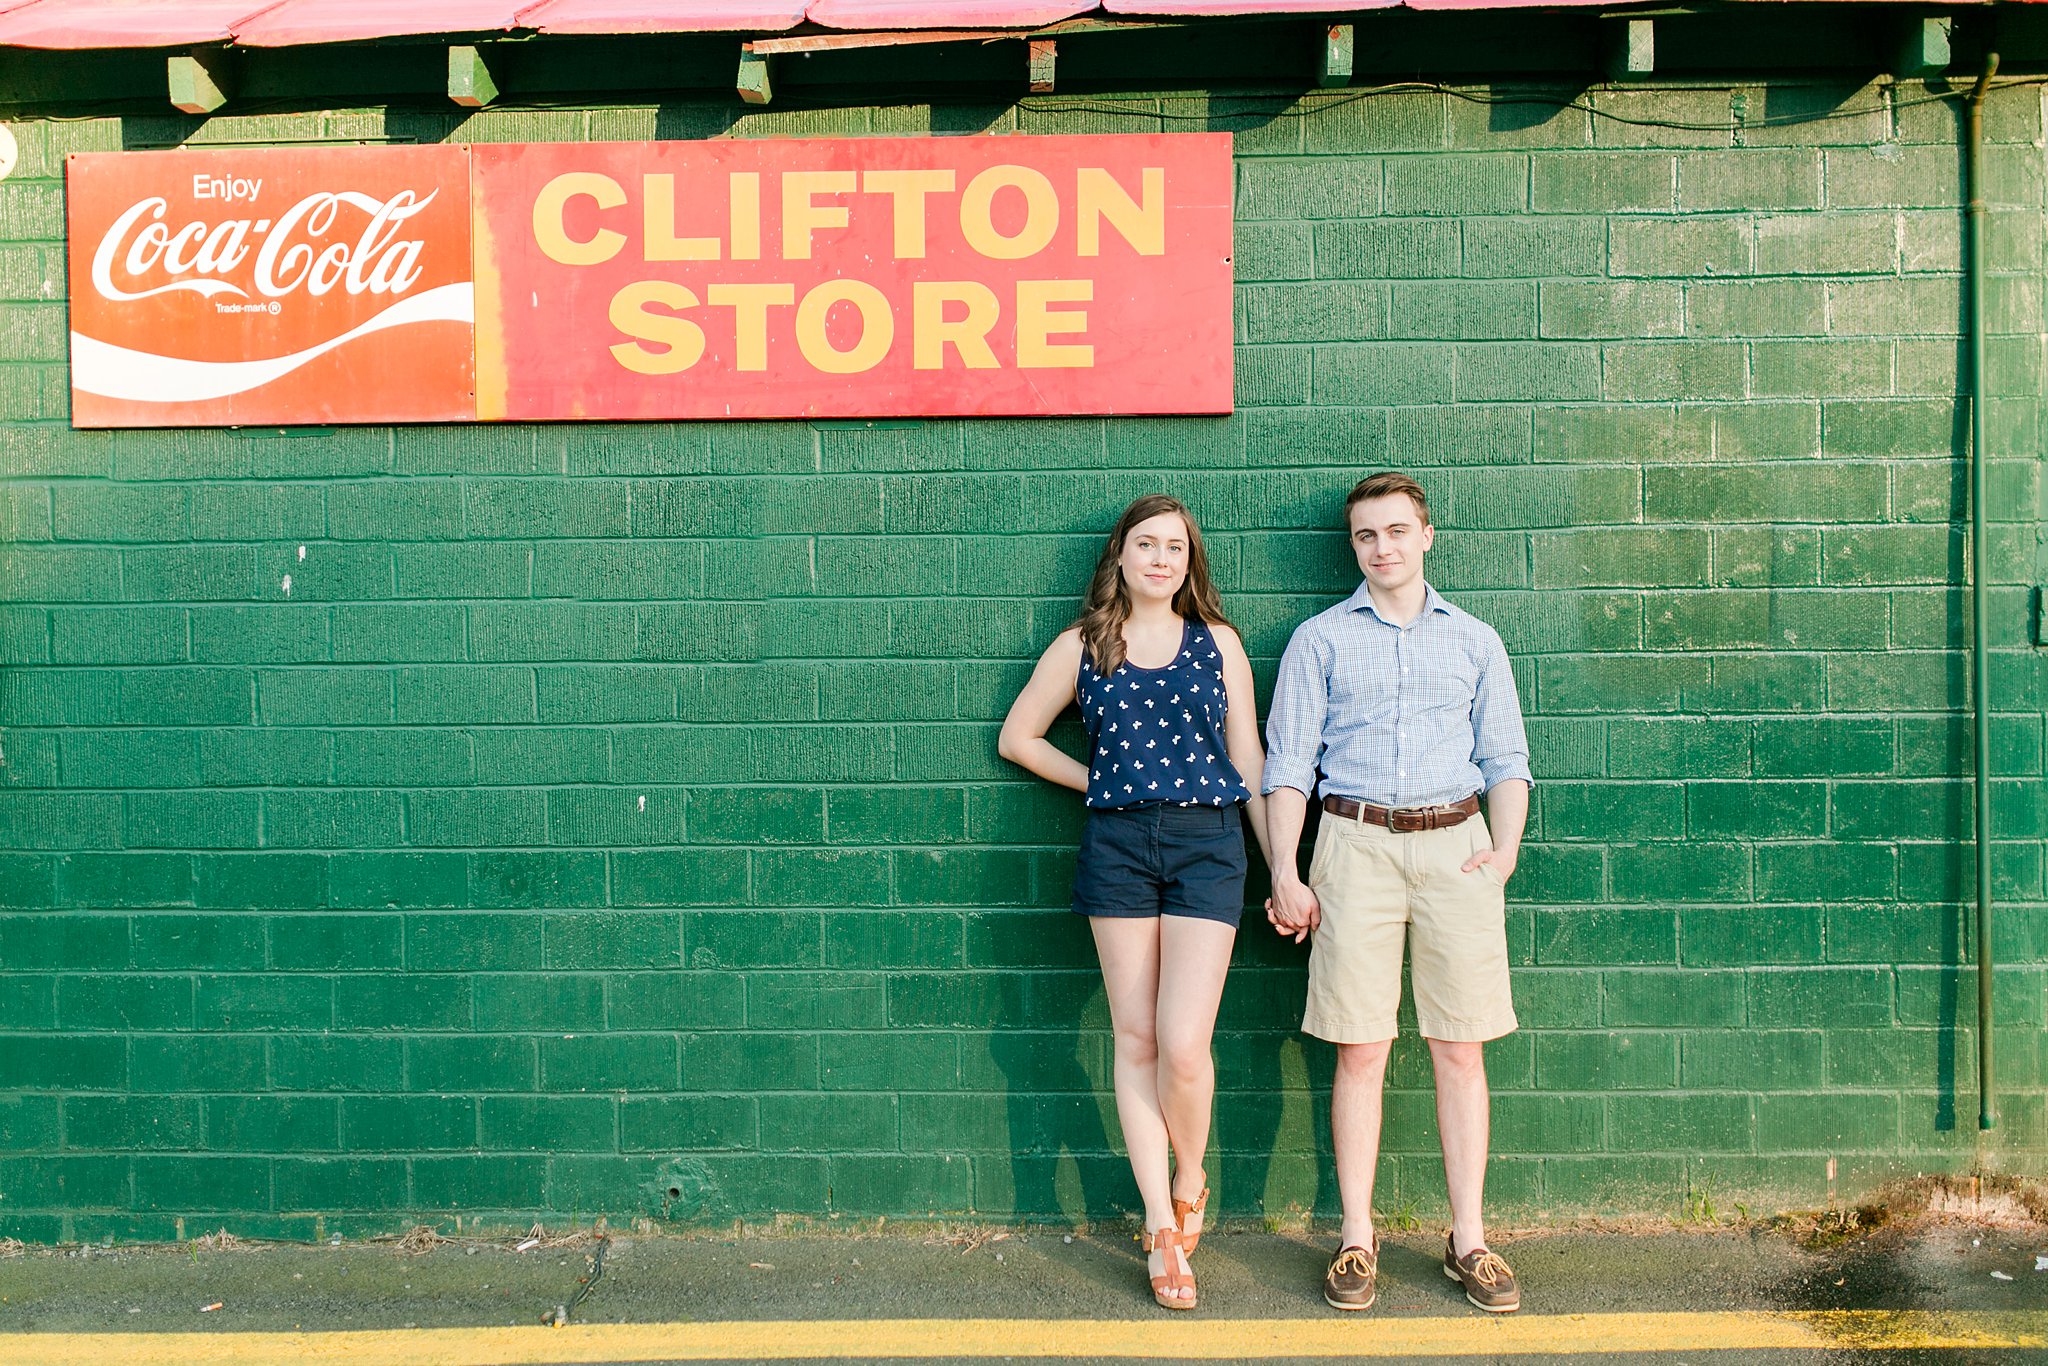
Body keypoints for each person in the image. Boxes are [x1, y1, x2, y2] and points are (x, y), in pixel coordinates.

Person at [1262, 470, 1532, 1316]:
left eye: (1396, 531)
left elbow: (1508, 761)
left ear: (1427, 535)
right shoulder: (1320, 640)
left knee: (1461, 1046)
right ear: (1355, 546)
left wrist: (1505, 853)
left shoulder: (1476, 641)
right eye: (1366, 536)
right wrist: (1285, 868)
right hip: (1354, 843)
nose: (1382, 548)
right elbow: (1285, 768)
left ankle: (1470, 1240)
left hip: (1458, 845)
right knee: (1360, 1047)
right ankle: (1355, 1236)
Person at [999, 493, 1271, 1311]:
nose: (1160, 558)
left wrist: (1282, 866)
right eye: (1146, 544)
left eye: (1175, 548)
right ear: (1119, 556)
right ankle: (1160, 1225)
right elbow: (1020, 737)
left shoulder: (1218, 644)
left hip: (1207, 845)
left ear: (1191, 563)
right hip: (1118, 846)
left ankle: (1192, 1171)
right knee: (1137, 1037)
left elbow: (1248, 756)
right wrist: (1104, 784)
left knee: (1185, 1045)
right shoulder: (1084, 645)